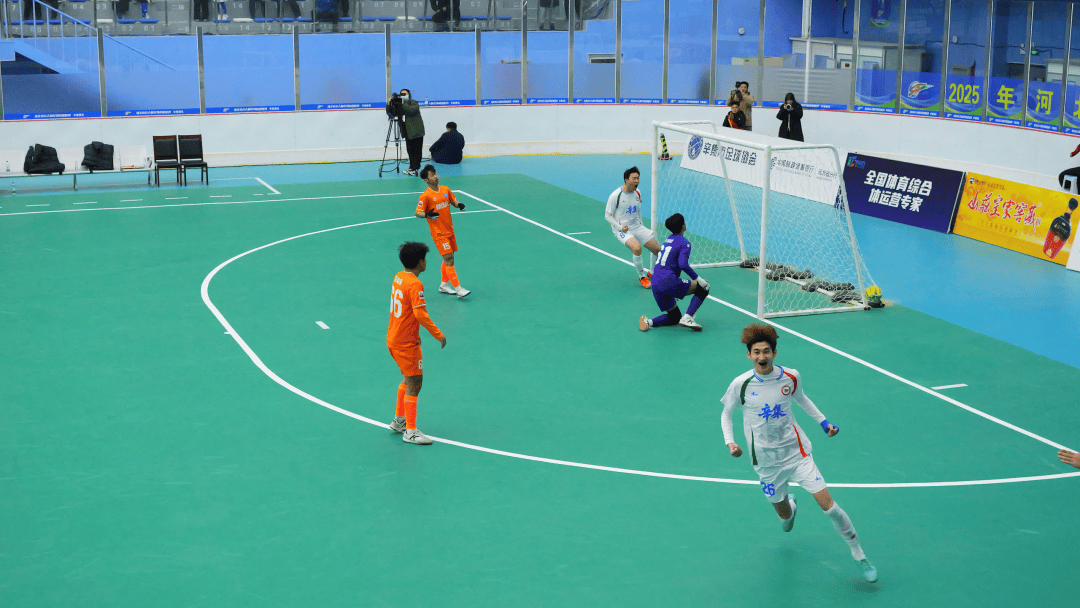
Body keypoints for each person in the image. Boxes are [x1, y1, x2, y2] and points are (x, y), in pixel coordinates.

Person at [721, 323, 878, 584]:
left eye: (766, 351)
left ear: (774, 352)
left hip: (797, 454)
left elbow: (802, 398)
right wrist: (731, 443)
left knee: (829, 507)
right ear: (748, 354)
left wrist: (824, 422)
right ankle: (791, 508)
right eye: (756, 352)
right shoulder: (741, 384)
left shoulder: (790, 377)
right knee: (784, 516)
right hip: (765, 461)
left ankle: (859, 554)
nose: (762, 356)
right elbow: (726, 413)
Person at [387, 241, 446, 445]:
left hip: (394, 337)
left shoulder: (399, 276)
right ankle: (410, 431)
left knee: (408, 377)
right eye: (425, 259)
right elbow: (420, 314)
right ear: (420, 262)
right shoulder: (415, 284)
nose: (426, 262)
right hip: (406, 342)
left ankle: (399, 421)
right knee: (415, 382)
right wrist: (438, 334)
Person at [638, 213, 710, 332]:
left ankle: (648, 322)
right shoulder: (684, 243)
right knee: (703, 288)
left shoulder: (667, 240)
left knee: (675, 317)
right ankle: (688, 318)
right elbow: (683, 264)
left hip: (655, 283)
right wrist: (699, 279)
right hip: (668, 281)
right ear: (683, 226)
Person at [417, 164, 470, 298]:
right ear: (426, 180)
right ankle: (458, 289)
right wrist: (427, 215)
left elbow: (453, 201)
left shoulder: (445, 189)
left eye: (435, 174)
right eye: (432, 175)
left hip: (449, 230)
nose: (436, 177)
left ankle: (444, 285)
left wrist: (459, 205)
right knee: (449, 258)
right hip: (438, 233)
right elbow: (418, 212)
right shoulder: (425, 196)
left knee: (448, 258)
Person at [606, 166, 661, 288]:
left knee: (657, 249)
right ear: (626, 180)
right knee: (636, 248)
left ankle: (652, 273)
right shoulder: (616, 195)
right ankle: (642, 277)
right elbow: (607, 216)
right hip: (622, 229)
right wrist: (620, 227)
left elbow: (638, 210)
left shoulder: (638, 192)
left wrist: (641, 224)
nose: (637, 181)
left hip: (637, 226)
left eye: (638, 178)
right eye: (634, 178)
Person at [386, 88, 425, 176]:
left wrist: (403, 103)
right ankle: (411, 167)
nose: (403, 96)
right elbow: (391, 112)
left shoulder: (413, 103)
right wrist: (389, 104)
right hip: (407, 131)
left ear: (409, 95)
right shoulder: (400, 104)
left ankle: (415, 168)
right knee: (410, 151)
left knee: (417, 151)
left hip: (416, 131)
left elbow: (411, 110)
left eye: (405, 94)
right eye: (401, 94)